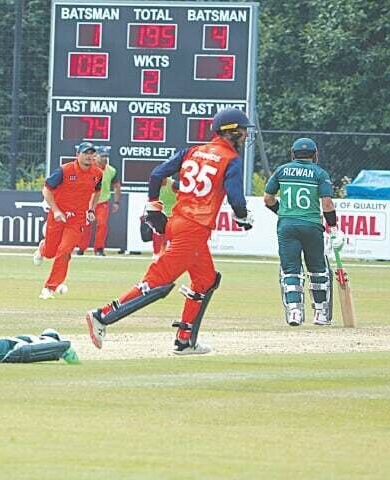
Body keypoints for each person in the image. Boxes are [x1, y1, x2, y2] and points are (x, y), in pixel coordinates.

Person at [85, 108, 255, 355]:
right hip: (193, 230)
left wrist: (153, 205)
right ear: (231, 132)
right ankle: (102, 315)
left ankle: (184, 341)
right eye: (243, 131)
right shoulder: (231, 159)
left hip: (179, 222)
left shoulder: (192, 151)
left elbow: (157, 174)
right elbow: (236, 199)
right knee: (156, 282)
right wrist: (243, 217)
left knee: (206, 280)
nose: (245, 136)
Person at [263, 138, 345, 326]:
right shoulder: (320, 173)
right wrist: (333, 228)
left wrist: (284, 213)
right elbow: (327, 204)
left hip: (287, 227)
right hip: (312, 226)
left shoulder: (282, 170)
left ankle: (294, 313)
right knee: (317, 269)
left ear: (293, 154)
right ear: (315, 154)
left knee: (290, 270)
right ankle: (321, 313)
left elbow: (268, 199)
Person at [33, 141, 103, 300]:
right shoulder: (64, 170)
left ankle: (49, 287)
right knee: (50, 252)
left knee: (64, 250)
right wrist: (56, 210)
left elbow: (97, 192)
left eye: (91, 153)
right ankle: (43, 248)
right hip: (59, 216)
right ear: (77, 155)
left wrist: (91, 209)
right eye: (85, 153)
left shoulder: (97, 173)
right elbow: (46, 190)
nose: (89, 156)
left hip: (77, 219)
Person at [76, 146, 121, 256]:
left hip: (102, 202)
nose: (104, 158)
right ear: (96, 157)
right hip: (88, 202)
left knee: (102, 225)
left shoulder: (111, 170)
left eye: (106, 156)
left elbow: (117, 186)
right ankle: (81, 248)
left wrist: (116, 202)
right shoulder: (89, 168)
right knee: (85, 225)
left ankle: (99, 249)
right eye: (102, 156)